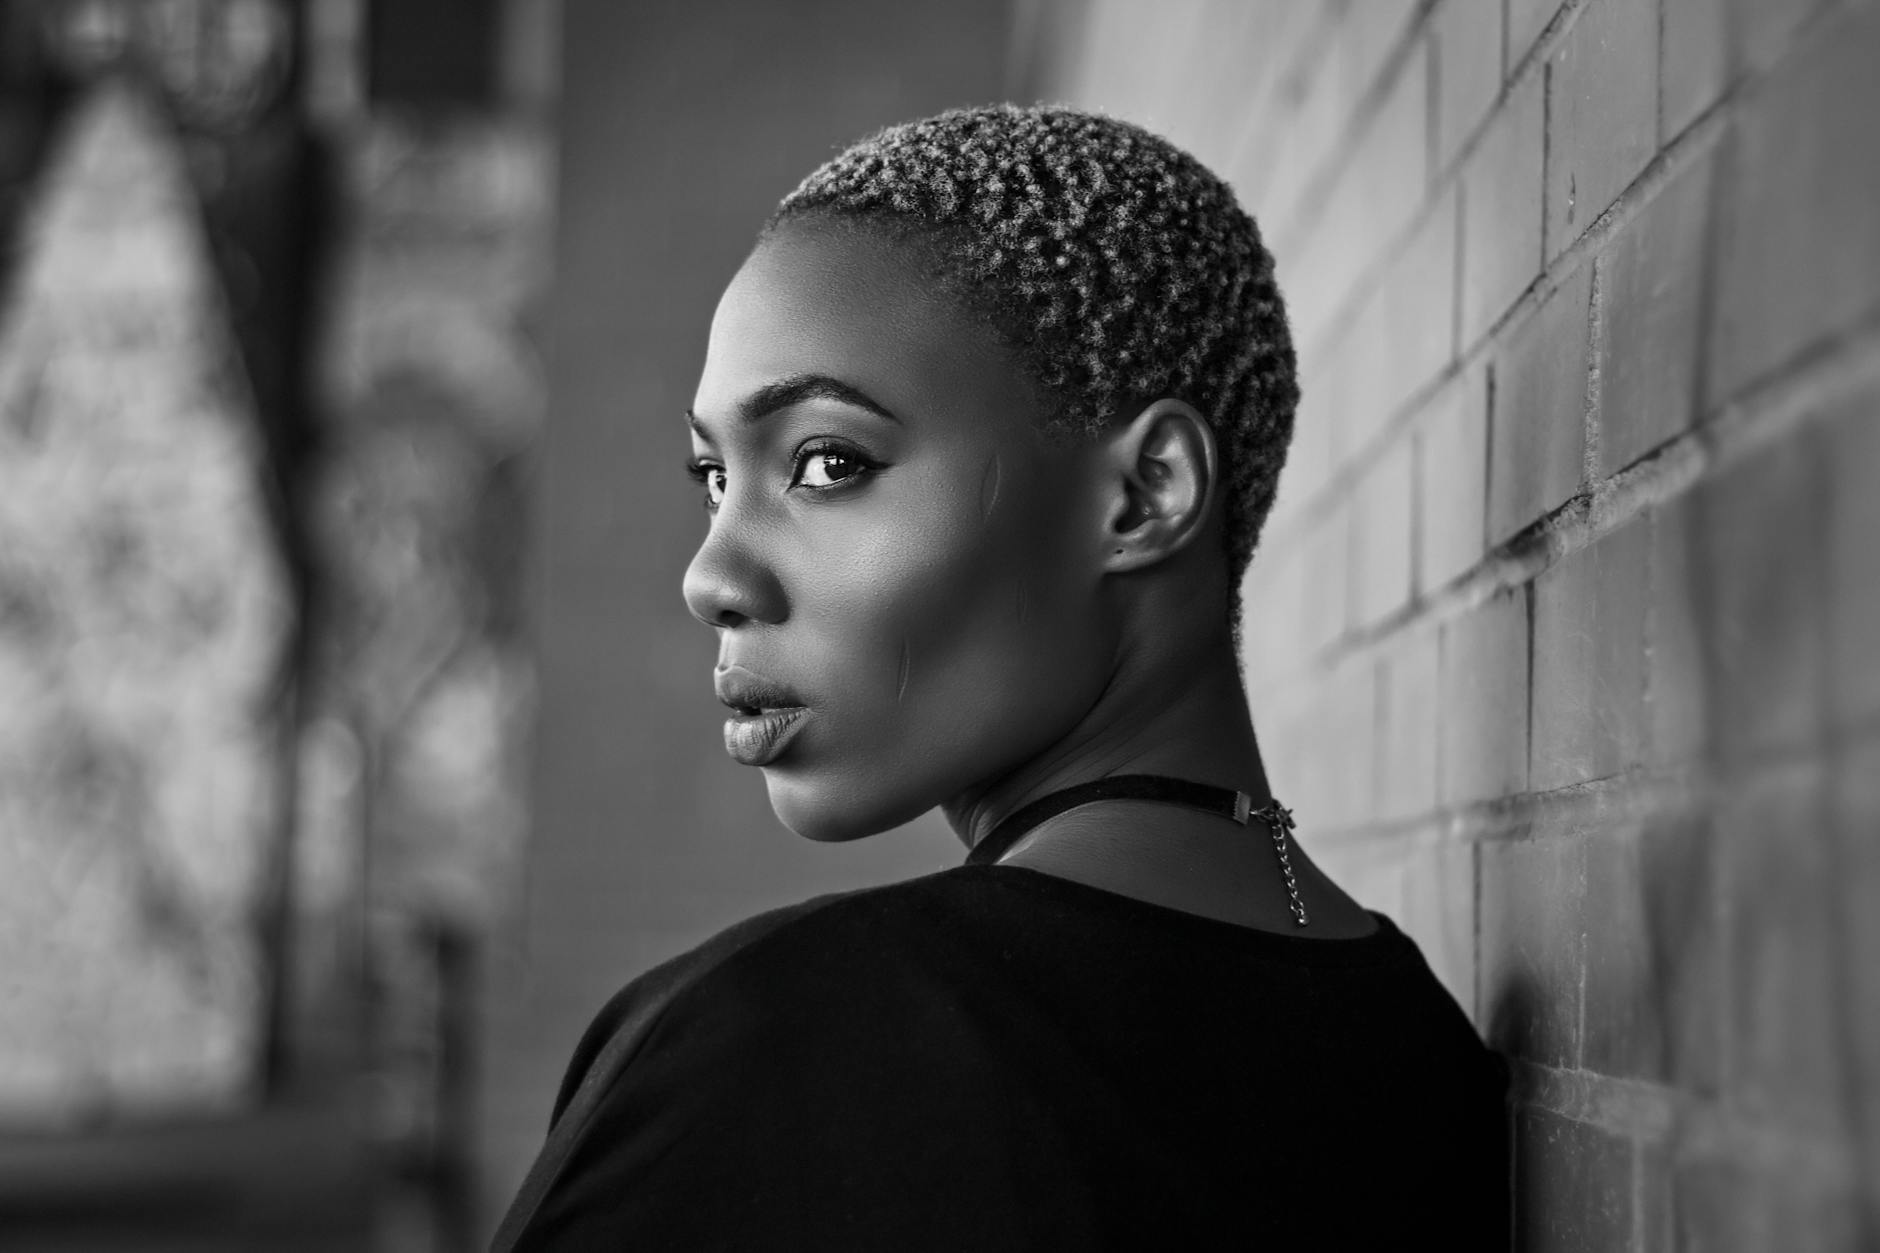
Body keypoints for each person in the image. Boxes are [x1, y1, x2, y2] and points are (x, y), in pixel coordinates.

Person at [493, 103, 1509, 1250]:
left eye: (826, 462)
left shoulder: (765, 1044)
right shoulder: (1427, 1060)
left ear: (1144, 494)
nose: (711, 576)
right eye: (712, 477)